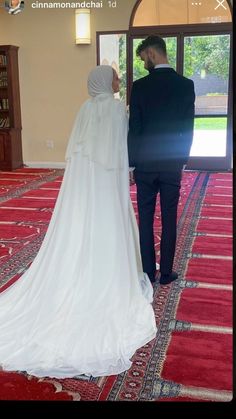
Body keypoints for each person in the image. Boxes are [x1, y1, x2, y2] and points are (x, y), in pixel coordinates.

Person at [0, 65, 157, 379]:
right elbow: (119, 151)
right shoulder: (114, 109)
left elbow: (83, 152)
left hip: (87, 186)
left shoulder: (85, 108)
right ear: (104, 81)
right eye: (114, 76)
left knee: (86, 228)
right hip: (108, 185)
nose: (117, 80)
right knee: (108, 230)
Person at [128, 36, 195, 286]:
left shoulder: (141, 86)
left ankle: (147, 272)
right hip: (171, 164)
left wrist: (132, 163)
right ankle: (166, 273)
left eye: (144, 57)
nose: (143, 61)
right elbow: (188, 129)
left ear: (153, 54)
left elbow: (135, 128)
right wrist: (183, 158)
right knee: (169, 217)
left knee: (145, 219)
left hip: (145, 164)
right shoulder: (185, 85)